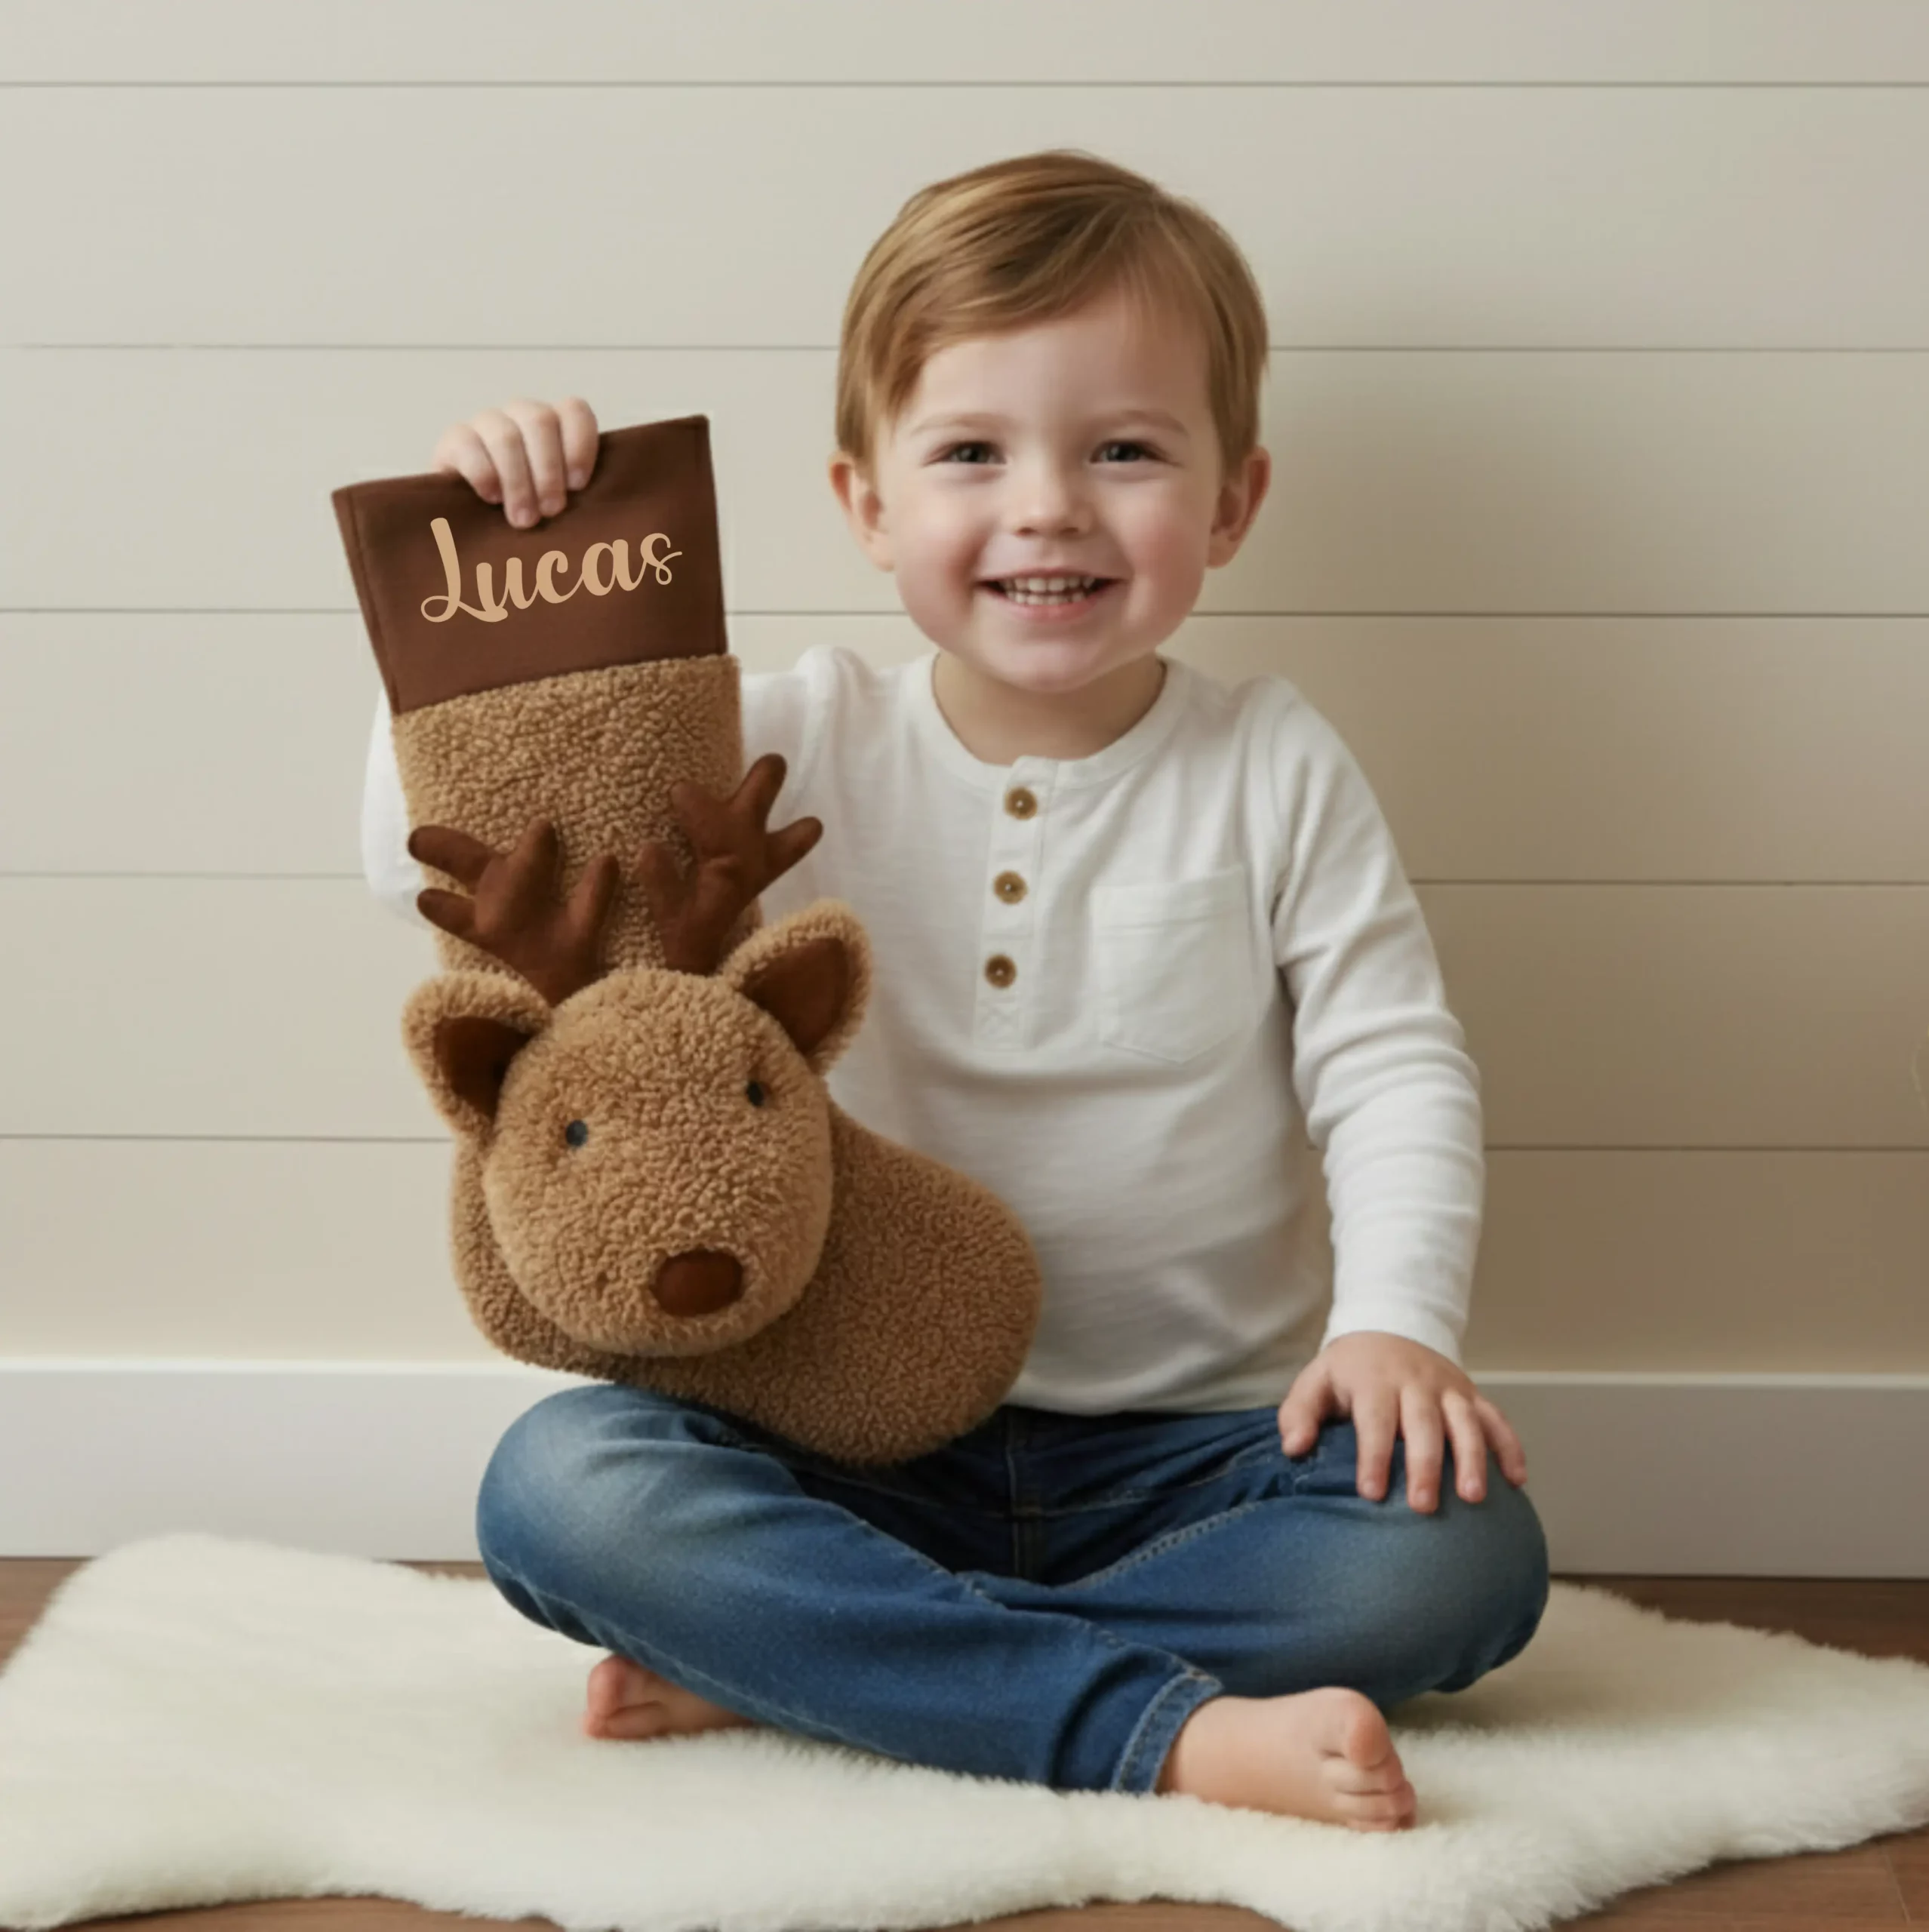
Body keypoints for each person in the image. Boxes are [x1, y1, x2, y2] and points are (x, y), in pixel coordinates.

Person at [359, 148, 1549, 1832]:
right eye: (972, 452)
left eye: (1121, 450)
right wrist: (502, 553)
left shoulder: (1269, 761)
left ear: (1228, 501)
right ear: (866, 504)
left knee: (1461, 1555)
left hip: (1199, 1457)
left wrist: (1392, 1327)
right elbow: (440, 846)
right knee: (564, 1488)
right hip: (840, 1437)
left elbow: (1394, 1063)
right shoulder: (784, 743)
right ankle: (1159, 1725)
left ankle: (823, 1662)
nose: (1048, 504)